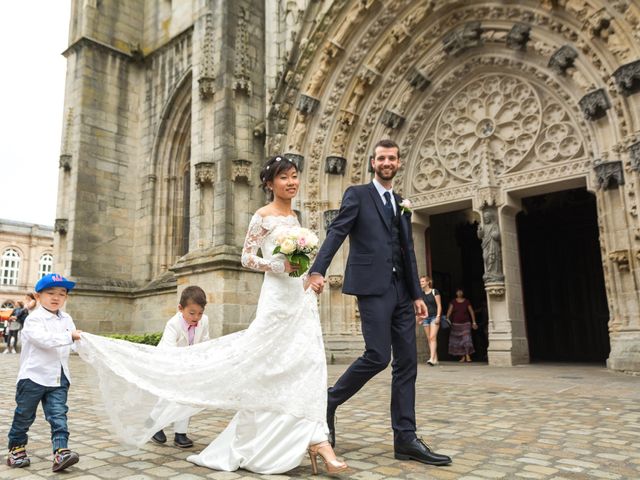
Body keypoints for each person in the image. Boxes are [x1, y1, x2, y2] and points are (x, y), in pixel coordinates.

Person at [77, 155, 347, 475]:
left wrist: (305, 279)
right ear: (269, 183)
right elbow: (246, 257)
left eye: (294, 176)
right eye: (284, 177)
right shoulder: (262, 216)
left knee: (306, 363)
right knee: (267, 369)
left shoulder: (297, 216)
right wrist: (275, 265)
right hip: (275, 300)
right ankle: (299, 441)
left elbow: (297, 262)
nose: (291, 182)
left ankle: (316, 437)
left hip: (298, 298)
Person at [308, 139, 452, 466]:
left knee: (407, 363)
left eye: (392, 158)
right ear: (373, 162)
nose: (387, 162)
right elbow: (337, 232)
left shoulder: (401, 202)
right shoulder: (357, 195)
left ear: (398, 163)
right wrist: (318, 270)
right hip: (372, 288)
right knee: (377, 355)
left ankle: (406, 438)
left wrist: (417, 294)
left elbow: (408, 250)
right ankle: (330, 400)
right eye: (382, 158)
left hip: (402, 291)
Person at [6, 273, 83, 472]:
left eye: (62, 293)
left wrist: (83, 342)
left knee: (58, 415)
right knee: (24, 415)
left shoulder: (67, 318)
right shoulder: (34, 319)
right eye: (50, 293)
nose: (56, 297)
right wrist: (70, 336)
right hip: (33, 377)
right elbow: (44, 340)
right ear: (38, 297)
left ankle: (61, 452)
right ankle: (16, 449)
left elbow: (73, 345)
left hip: (59, 377)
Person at [151, 286, 211, 448]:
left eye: (200, 313)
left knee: (187, 398)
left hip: (190, 365)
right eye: (192, 313)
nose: (196, 317)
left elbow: (205, 342)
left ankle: (180, 433)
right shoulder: (173, 324)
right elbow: (169, 350)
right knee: (167, 397)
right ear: (180, 309)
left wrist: (203, 360)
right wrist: (182, 364)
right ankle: (154, 424)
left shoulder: (203, 321)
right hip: (168, 364)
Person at [446, 288, 477, 363]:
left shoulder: (467, 301)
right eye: (458, 291)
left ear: (463, 293)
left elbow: (471, 312)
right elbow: (449, 312)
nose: (459, 293)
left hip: (466, 324)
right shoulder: (453, 302)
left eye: (461, 291)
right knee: (458, 341)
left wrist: (474, 322)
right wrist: (446, 320)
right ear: (456, 293)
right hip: (455, 325)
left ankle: (467, 355)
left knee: (467, 340)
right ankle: (462, 356)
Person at [418, 276, 441, 366]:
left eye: (423, 281)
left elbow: (439, 305)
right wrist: (420, 318)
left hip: (435, 317)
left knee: (432, 337)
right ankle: (435, 359)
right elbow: (421, 308)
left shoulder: (434, 291)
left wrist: (438, 316)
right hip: (425, 318)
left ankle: (431, 358)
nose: (421, 283)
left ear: (428, 282)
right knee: (429, 339)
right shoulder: (420, 294)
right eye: (420, 282)